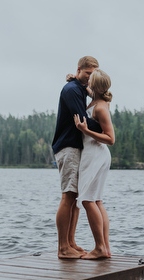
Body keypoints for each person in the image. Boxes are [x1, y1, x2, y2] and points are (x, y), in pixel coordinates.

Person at [51, 56, 102, 259]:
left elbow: (94, 93)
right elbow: (83, 120)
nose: (90, 78)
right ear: (79, 69)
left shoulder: (79, 87)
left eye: (93, 74)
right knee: (68, 195)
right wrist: (106, 129)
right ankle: (63, 247)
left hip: (76, 147)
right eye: (87, 73)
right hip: (68, 147)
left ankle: (70, 242)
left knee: (75, 197)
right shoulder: (72, 90)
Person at [73, 69, 115, 260]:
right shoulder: (96, 99)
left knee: (88, 200)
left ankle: (100, 248)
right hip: (94, 155)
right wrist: (74, 78)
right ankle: (105, 248)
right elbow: (89, 91)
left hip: (96, 155)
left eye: (91, 80)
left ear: (96, 86)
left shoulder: (100, 108)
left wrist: (85, 130)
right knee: (97, 200)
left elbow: (110, 138)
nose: (87, 81)